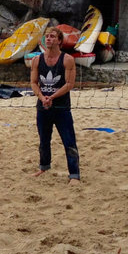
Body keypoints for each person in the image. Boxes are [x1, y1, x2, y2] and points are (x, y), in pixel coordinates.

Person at [29, 26, 81, 184]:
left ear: (59, 41)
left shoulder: (67, 59)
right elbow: (33, 82)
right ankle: (44, 166)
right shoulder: (37, 59)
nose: (48, 39)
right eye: (47, 36)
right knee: (44, 140)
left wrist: (51, 97)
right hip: (43, 106)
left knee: (69, 141)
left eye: (52, 36)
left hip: (61, 107)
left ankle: (74, 175)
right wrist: (41, 97)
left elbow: (69, 84)